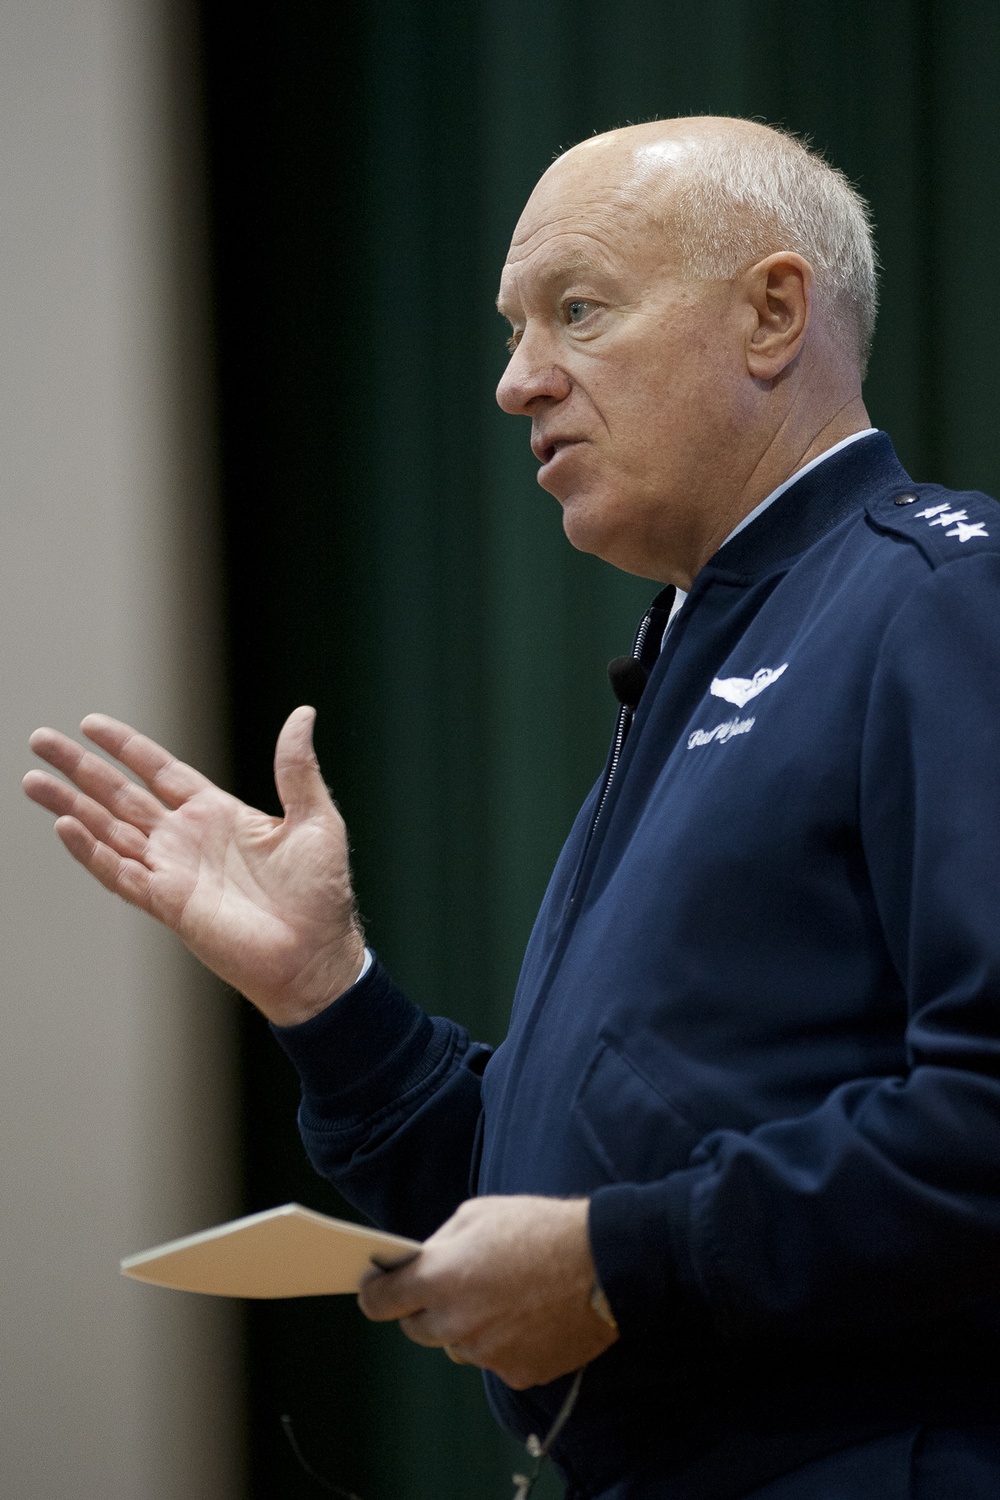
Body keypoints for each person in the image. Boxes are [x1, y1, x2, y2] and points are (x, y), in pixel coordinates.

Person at [24, 117, 1000, 1499]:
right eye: (509, 327)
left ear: (774, 313)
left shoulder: (940, 602)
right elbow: (530, 1197)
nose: (516, 382)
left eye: (577, 310)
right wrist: (325, 992)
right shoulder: (700, 646)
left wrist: (616, 1261)